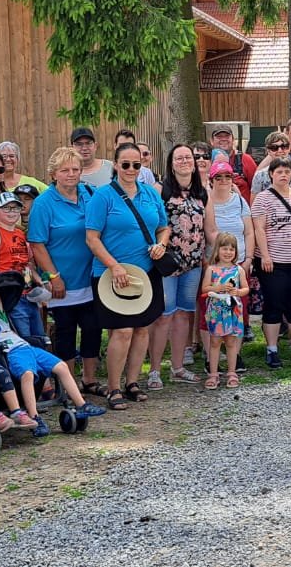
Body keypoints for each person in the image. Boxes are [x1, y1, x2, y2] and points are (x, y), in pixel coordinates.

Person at [0, 272, 108, 437]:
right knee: (28, 374)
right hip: (10, 352)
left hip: (26, 347)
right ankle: (33, 415)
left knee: (61, 366)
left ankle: (81, 405)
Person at [86, 142, 170, 409]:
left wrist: (161, 245)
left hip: (145, 273)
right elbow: (92, 238)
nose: (132, 169)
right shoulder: (103, 196)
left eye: (137, 164)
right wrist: (114, 266)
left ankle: (132, 382)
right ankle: (113, 387)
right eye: (126, 164)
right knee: (120, 331)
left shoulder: (149, 193)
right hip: (112, 274)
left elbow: (163, 227)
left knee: (141, 329)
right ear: (115, 165)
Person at [29, 147, 102, 390]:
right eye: (65, 170)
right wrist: (53, 276)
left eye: (75, 169)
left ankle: (90, 380)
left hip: (90, 276)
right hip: (63, 280)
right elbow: (37, 244)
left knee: (92, 328)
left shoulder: (90, 194)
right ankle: (68, 384)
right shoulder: (44, 203)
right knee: (66, 332)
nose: (71, 174)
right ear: (53, 174)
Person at [146, 144, 207, 389]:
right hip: (167, 262)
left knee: (185, 313)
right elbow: (152, 222)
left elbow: (208, 227)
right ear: (171, 163)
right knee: (164, 315)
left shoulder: (201, 192)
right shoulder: (160, 189)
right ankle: (154, 370)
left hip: (194, 262)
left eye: (188, 157)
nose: (184, 161)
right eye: (179, 158)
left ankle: (178, 366)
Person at [251, 157, 291, 369]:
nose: (283, 175)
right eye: (279, 171)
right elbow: (259, 228)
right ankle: (272, 349)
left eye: (287, 171)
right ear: (271, 174)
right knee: (274, 304)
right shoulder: (262, 198)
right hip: (273, 262)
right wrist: (266, 256)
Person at [0, 191, 44, 344]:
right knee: (23, 338)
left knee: (39, 337)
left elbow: (26, 263)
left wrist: (38, 282)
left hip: (27, 294)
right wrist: (2, 293)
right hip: (11, 296)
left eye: (15, 208)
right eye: (6, 208)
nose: (12, 212)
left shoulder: (20, 233)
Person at [201, 233, 249, 388]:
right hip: (216, 310)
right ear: (217, 250)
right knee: (215, 341)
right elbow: (205, 288)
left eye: (231, 249)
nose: (228, 252)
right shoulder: (211, 269)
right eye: (224, 249)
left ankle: (232, 372)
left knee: (231, 341)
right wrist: (219, 288)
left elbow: (246, 288)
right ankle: (213, 373)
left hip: (233, 309)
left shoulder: (238, 270)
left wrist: (238, 292)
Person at [209, 125, 257, 199]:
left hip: (242, 208)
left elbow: (257, 188)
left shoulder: (245, 159)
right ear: (211, 141)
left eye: (227, 136)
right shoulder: (206, 161)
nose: (223, 139)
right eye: (219, 137)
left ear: (233, 139)